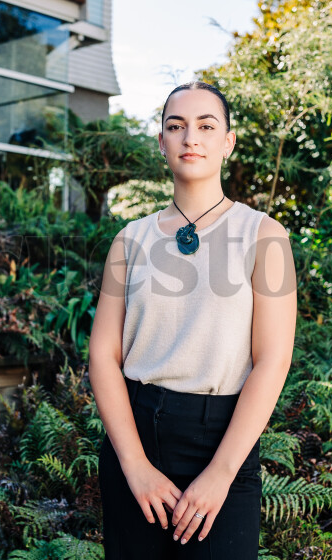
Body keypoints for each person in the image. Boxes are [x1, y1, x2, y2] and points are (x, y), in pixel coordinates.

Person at [88, 81, 297, 559]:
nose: (190, 138)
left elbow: (273, 359)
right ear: (161, 142)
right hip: (134, 434)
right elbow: (103, 355)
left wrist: (221, 474)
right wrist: (134, 465)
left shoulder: (265, 236)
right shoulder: (129, 240)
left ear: (228, 141)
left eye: (206, 125)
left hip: (221, 437)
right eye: (176, 126)